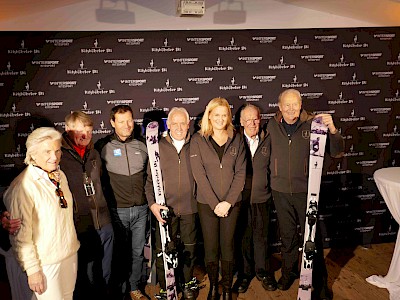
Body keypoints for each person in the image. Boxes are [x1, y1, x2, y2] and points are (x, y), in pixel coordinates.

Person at [267, 89, 344, 300]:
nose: (292, 109)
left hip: (306, 192)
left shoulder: (314, 123)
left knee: (312, 240)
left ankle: (319, 284)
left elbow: (336, 151)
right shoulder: (271, 125)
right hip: (280, 191)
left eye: (295, 104)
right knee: (288, 237)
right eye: (287, 105)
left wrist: (333, 130)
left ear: (301, 105)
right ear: (280, 107)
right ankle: (289, 273)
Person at [3, 127, 80, 299]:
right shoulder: (23, 186)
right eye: (47, 152)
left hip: (69, 254)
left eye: (57, 150)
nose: (54, 157)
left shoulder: (59, 175)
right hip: (46, 262)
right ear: (33, 154)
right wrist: (32, 270)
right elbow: (20, 236)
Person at [190, 97, 246, 300]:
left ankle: (227, 288)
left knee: (228, 247)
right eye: (217, 115)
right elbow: (199, 175)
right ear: (209, 116)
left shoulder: (237, 138)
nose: (220, 119)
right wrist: (215, 204)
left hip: (232, 204)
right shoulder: (197, 139)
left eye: (224, 115)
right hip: (207, 204)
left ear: (228, 117)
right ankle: (214, 287)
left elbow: (241, 173)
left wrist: (228, 202)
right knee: (212, 249)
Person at [145, 107, 199, 299]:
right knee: (163, 250)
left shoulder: (197, 144)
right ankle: (164, 285)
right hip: (165, 209)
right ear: (167, 125)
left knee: (189, 247)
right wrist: (153, 205)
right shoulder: (157, 146)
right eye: (174, 123)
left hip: (190, 208)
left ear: (188, 124)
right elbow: (150, 182)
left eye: (182, 123)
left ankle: (187, 281)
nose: (178, 127)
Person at [95, 105, 148, 300]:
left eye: (130, 120)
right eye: (121, 121)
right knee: (117, 254)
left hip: (141, 210)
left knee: (137, 253)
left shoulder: (143, 145)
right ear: (112, 123)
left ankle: (134, 288)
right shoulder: (102, 146)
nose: (127, 125)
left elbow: (152, 178)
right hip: (117, 212)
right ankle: (119, 290)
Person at [60, 111, 114, 299]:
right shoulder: (59, 156)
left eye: (89, 131)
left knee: (105, 269)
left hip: (103, 220)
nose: (85, 136)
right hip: (80, 223)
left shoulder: (94, 153)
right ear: (67, 130)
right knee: (85, 272)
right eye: (80, 131)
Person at [234, 104, 277, 293]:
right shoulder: (234, 140)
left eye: (256, 119)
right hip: (241, 200)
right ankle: (244, 274)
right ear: (241, 122)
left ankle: (263, 272)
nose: (252, 123)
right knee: (243, 238)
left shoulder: (268, 138)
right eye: (248, 120)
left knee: (262, 237)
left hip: (262, 197)